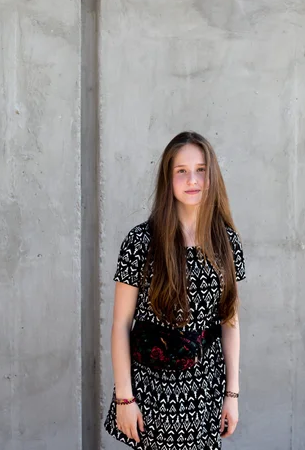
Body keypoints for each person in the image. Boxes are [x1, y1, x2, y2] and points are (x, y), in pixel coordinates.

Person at [104, 131, 246, 449]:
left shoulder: (226, 242)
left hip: (205, 389)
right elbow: (120, 325)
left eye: (200, 170)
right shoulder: (141, 242)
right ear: (168, 178)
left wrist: (232, 395)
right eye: (181, 171)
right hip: (152, 389)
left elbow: (230, 322)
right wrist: (124, 398)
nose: (192, 179)